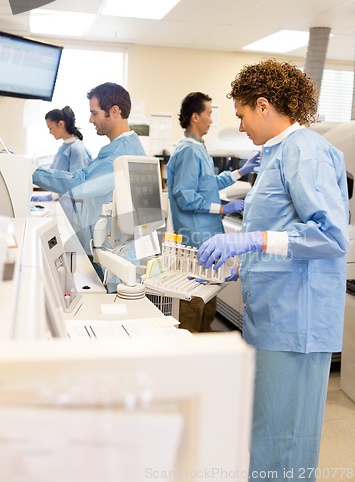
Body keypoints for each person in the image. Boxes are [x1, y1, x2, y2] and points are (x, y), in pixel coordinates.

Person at [197, 59, 349, 480]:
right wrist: (242, 264)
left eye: (243, 115)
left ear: (263, 105)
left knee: (285, 442)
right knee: (267, 434)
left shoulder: (306, 151)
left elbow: (332, 237)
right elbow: (280, 227)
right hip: (274, 312)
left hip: (295, 321)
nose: (241, 127)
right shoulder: (278, 153)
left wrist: (252, 240)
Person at [167, 91, 260, 332]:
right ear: (195, 117)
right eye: (209, 114)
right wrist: (223, 208)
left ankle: (204, 348)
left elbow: (209, 184)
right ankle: (190, 357)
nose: (211, 119)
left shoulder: (198, 147)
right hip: (194, 239)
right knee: (193, 303)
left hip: (206, 237)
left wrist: (241, 171)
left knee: (207, 303)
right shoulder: (187, 150)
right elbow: (185, 197)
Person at [33, 83, 146, 272]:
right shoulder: (125, 146)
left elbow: (80, 183)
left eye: (95, 113)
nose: (90, 119)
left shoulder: (119, 153)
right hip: (111, 249)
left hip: (114, 257)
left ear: (115, 111)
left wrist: (31, 172)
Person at [45, 106, 92, 172]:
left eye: (50, 128)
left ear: (61, 124)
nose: (50, 132)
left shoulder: (77, 150)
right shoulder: (64, 148)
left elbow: (78, 180)